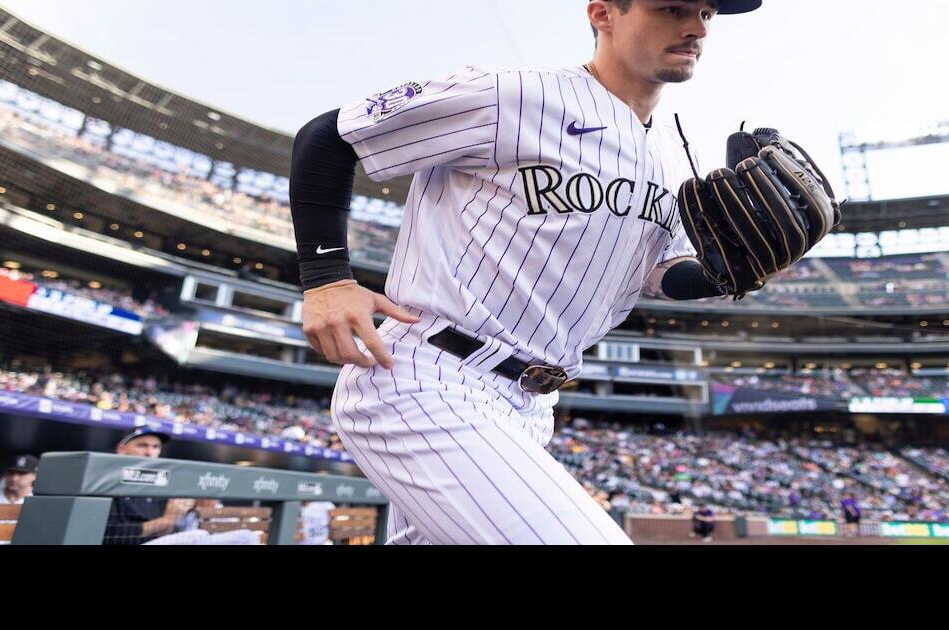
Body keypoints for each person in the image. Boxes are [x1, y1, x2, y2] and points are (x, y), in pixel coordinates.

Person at [289, 0, 775, 545]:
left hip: (531, 403)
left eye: (708, 13)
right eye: (672, 8)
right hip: (431, 377)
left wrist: (724, 273)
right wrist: (327, 276)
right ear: (603, 14)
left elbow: (657, 272)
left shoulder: (674, 155)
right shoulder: (512, 95)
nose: (695, 27)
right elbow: (329, 136)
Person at [103, 428, 196, 545]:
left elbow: (167, 530)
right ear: (121, 449)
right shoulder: (107, 480)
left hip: (159, 541)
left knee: (201, 535)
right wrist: (165, 521)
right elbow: (108, 533)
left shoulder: (163, 483)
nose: (149, 452)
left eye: (156, 447)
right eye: (142, 446)